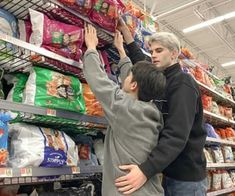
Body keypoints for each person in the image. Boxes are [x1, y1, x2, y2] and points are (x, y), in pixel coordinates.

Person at [115, 20, 207, 195]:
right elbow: (142, 64)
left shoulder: (182, 84)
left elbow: (176, 135)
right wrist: (126, 35)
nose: (153, 55)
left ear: (173, 54)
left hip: (185, 179)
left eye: (159, 51)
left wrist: (145, 170)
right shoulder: (163, 79)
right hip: (168, 171)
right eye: (151, 51)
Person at [83, 24, 166, 196]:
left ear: (134, 84)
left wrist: (91, 48)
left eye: (128, 76)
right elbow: (133, 86)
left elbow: (98, 80)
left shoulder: (123, 107)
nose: (125, 78)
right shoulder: (153, 112)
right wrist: (121, 52)